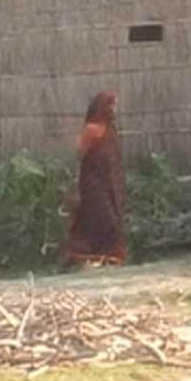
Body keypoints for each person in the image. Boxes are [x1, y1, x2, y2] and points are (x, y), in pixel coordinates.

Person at [65, 90, 127, 267]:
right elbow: (81, 157)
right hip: (93, 184)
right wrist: (74, 185)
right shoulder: (91, 130)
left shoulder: (110, 130)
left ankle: (112, 256)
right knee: (100, 218)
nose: (113, 111)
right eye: (110, 106)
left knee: (114, 216)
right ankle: (89, 256)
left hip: (110, 184)